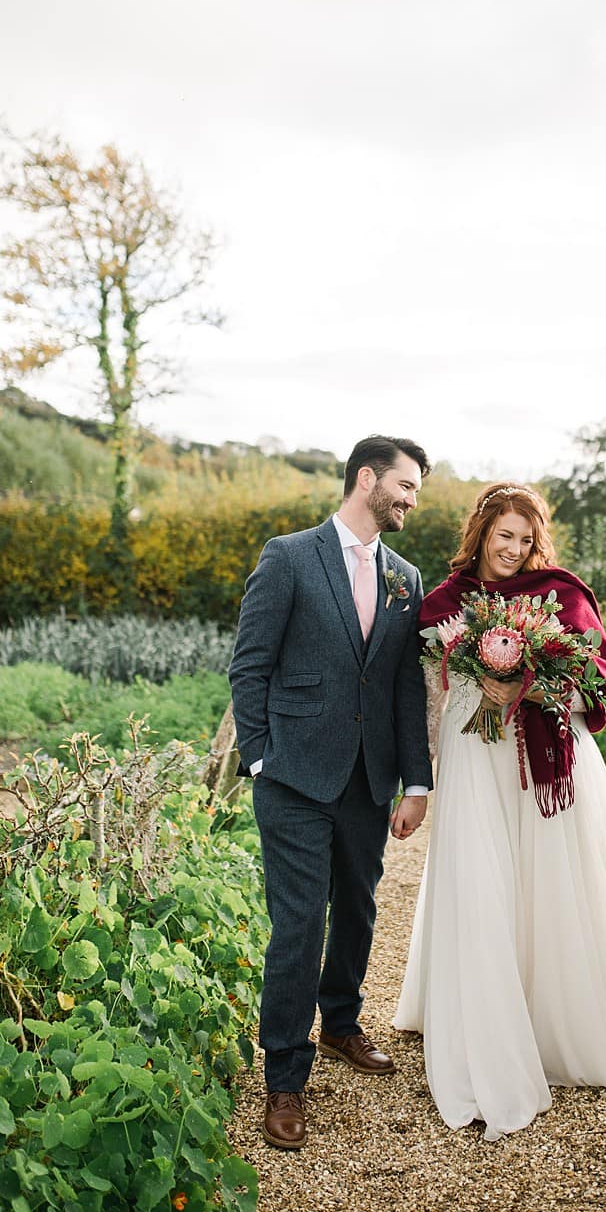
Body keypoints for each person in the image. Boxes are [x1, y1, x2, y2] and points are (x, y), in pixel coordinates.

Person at [394, 483, 606, 1141]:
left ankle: (546, 1026)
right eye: (503, 536)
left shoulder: (560, 594)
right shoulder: (446, 600)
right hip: (473, 756)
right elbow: (423, 685)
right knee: (480, 884)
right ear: (481, 534)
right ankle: (483, 1027)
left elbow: (596, 681)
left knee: (543, 887)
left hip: (539, 763)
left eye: (525, 538)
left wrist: (529, 685)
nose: (514, 549)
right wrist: (419, 776)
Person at [230, 434, 433, 1150]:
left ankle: (342, 1023)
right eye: (406, 486)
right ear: (367, 479)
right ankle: (285, 1076)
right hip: (293, 776)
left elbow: (404, 687)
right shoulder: (289, 556)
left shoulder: (405, 576)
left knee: (358, 908)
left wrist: (416, 782)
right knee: (298, 925)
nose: (412, 501)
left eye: (416, 491)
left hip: (368, 780)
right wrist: (259, 758)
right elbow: (249, 665)